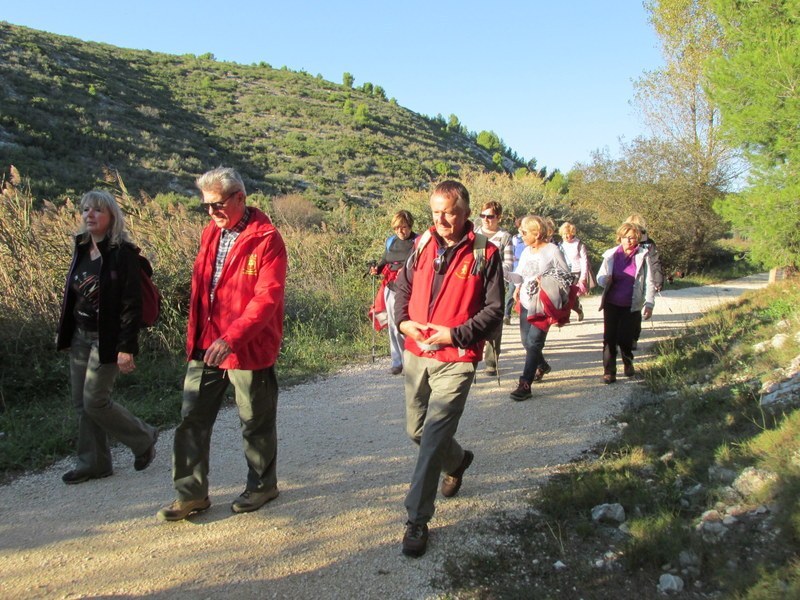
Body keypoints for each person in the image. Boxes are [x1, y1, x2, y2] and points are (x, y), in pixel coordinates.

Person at [158, 167, 287, 521]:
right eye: (206, 206)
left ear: (240, 198)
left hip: (247, 347)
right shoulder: (210, 233)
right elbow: (204, 290)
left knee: (255, 420)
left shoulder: (268, 239)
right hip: (206, 344)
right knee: (191, 419)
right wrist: (200, 336)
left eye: (217, 205)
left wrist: (233, 338)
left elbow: (267, 297)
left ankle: (263, 486)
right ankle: (191, 494)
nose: (212, 212)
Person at [394, 180, 504, 557]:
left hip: (456, 359)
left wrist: (455, 335)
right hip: (417, 353)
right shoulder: (421, 244)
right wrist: (403, 321)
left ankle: (417, 520)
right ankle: (457, 460)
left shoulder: (485, 253)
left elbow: (493, 310)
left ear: (465, 213)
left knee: (431, 440)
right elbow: (402, 287)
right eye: (436, 211)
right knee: (416, 430)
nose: (441, 218)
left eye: (449, 211)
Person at [56, 190, 158, 484]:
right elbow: (73, 297)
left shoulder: (122, 253)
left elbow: (131, 304)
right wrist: (66, 334)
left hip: (108, 338)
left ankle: (143, 437)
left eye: (97, 210)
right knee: (81, 403)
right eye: (86, 209)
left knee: (95, 400)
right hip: (80, 336)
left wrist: (126, 348)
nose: (90, 215)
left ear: (111, 216)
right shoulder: (81, 247)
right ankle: (94, 463)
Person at [508, 216, 572, 401]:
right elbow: (520, 275)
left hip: (543, 304)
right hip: (526, 302)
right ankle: (541, 365)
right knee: (526, 342)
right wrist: (507, 277)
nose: (521, 236)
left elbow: (566, 276)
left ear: (536, 233)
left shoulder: (552, 250)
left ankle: (525, 384)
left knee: (534, 342)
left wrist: (545, 280)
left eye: (524, 232)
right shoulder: (527, 251)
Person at [596, 222, 656, 383]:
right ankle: (609, 371)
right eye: (625, 237)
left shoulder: (643, 256)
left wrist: (649, 303)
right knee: (609, 337)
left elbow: (649, 281)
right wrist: (604, 280)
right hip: (611, 301)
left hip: (632, 303)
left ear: (637, 239)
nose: (628, 241)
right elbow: (600, 277)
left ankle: (627, 360)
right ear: (619, 238)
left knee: (625, 338)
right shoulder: (611, 255)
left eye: (632, 238)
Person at [369, 211, 418, 375]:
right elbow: (384, 261)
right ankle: (397, 362)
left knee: (406, 323)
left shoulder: (418, 242)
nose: (400, 231)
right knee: (393, 324)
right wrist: (376, 269)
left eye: (403, 227)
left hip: (410, 288)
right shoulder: (391, 242)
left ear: (410, 225)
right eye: (397, 228)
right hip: (391, 288)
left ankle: (410, 360)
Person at [474, 201, 514, 377]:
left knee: (494, 321)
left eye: (490, 216)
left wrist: (494, 271)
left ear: (498, 217)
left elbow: (509, 263)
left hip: (495, 283)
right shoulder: (474, 233)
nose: (486, 220)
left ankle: (491, 361)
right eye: (483, 216)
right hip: (474, 282)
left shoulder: (505, 237)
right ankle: (471, 357)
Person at [624, 214, 664, 350]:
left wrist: (657, 281)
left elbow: (655, 262)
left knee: (635, 312)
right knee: (628, 311)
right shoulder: (626, 241)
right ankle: (626, 337)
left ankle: (633, 338)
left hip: (642, 281)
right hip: (627, 280)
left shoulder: (649, 244)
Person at [558, 222, 590, 322]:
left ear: (572, 233)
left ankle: (578, 310)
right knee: (564, 295)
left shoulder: (579, 244)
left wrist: (583, 277)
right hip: (564, 273)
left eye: (568, 234)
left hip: (576, 272)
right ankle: (566, 315)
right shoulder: (560, 245)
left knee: (572, 296)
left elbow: (584, 261)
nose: (566, 236)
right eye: (564, 234)